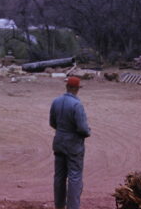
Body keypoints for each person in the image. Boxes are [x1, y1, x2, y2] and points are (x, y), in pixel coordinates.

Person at [49, 76, 91, 209]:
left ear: (67, 87)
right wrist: (87, 132)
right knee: (75, 177)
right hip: (73, 145)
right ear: (77, 89)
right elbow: (83, 129)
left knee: (59, 177)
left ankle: (59, 206)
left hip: (59, 142)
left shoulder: (56, 101)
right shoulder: (77, 105)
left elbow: (52, 122)